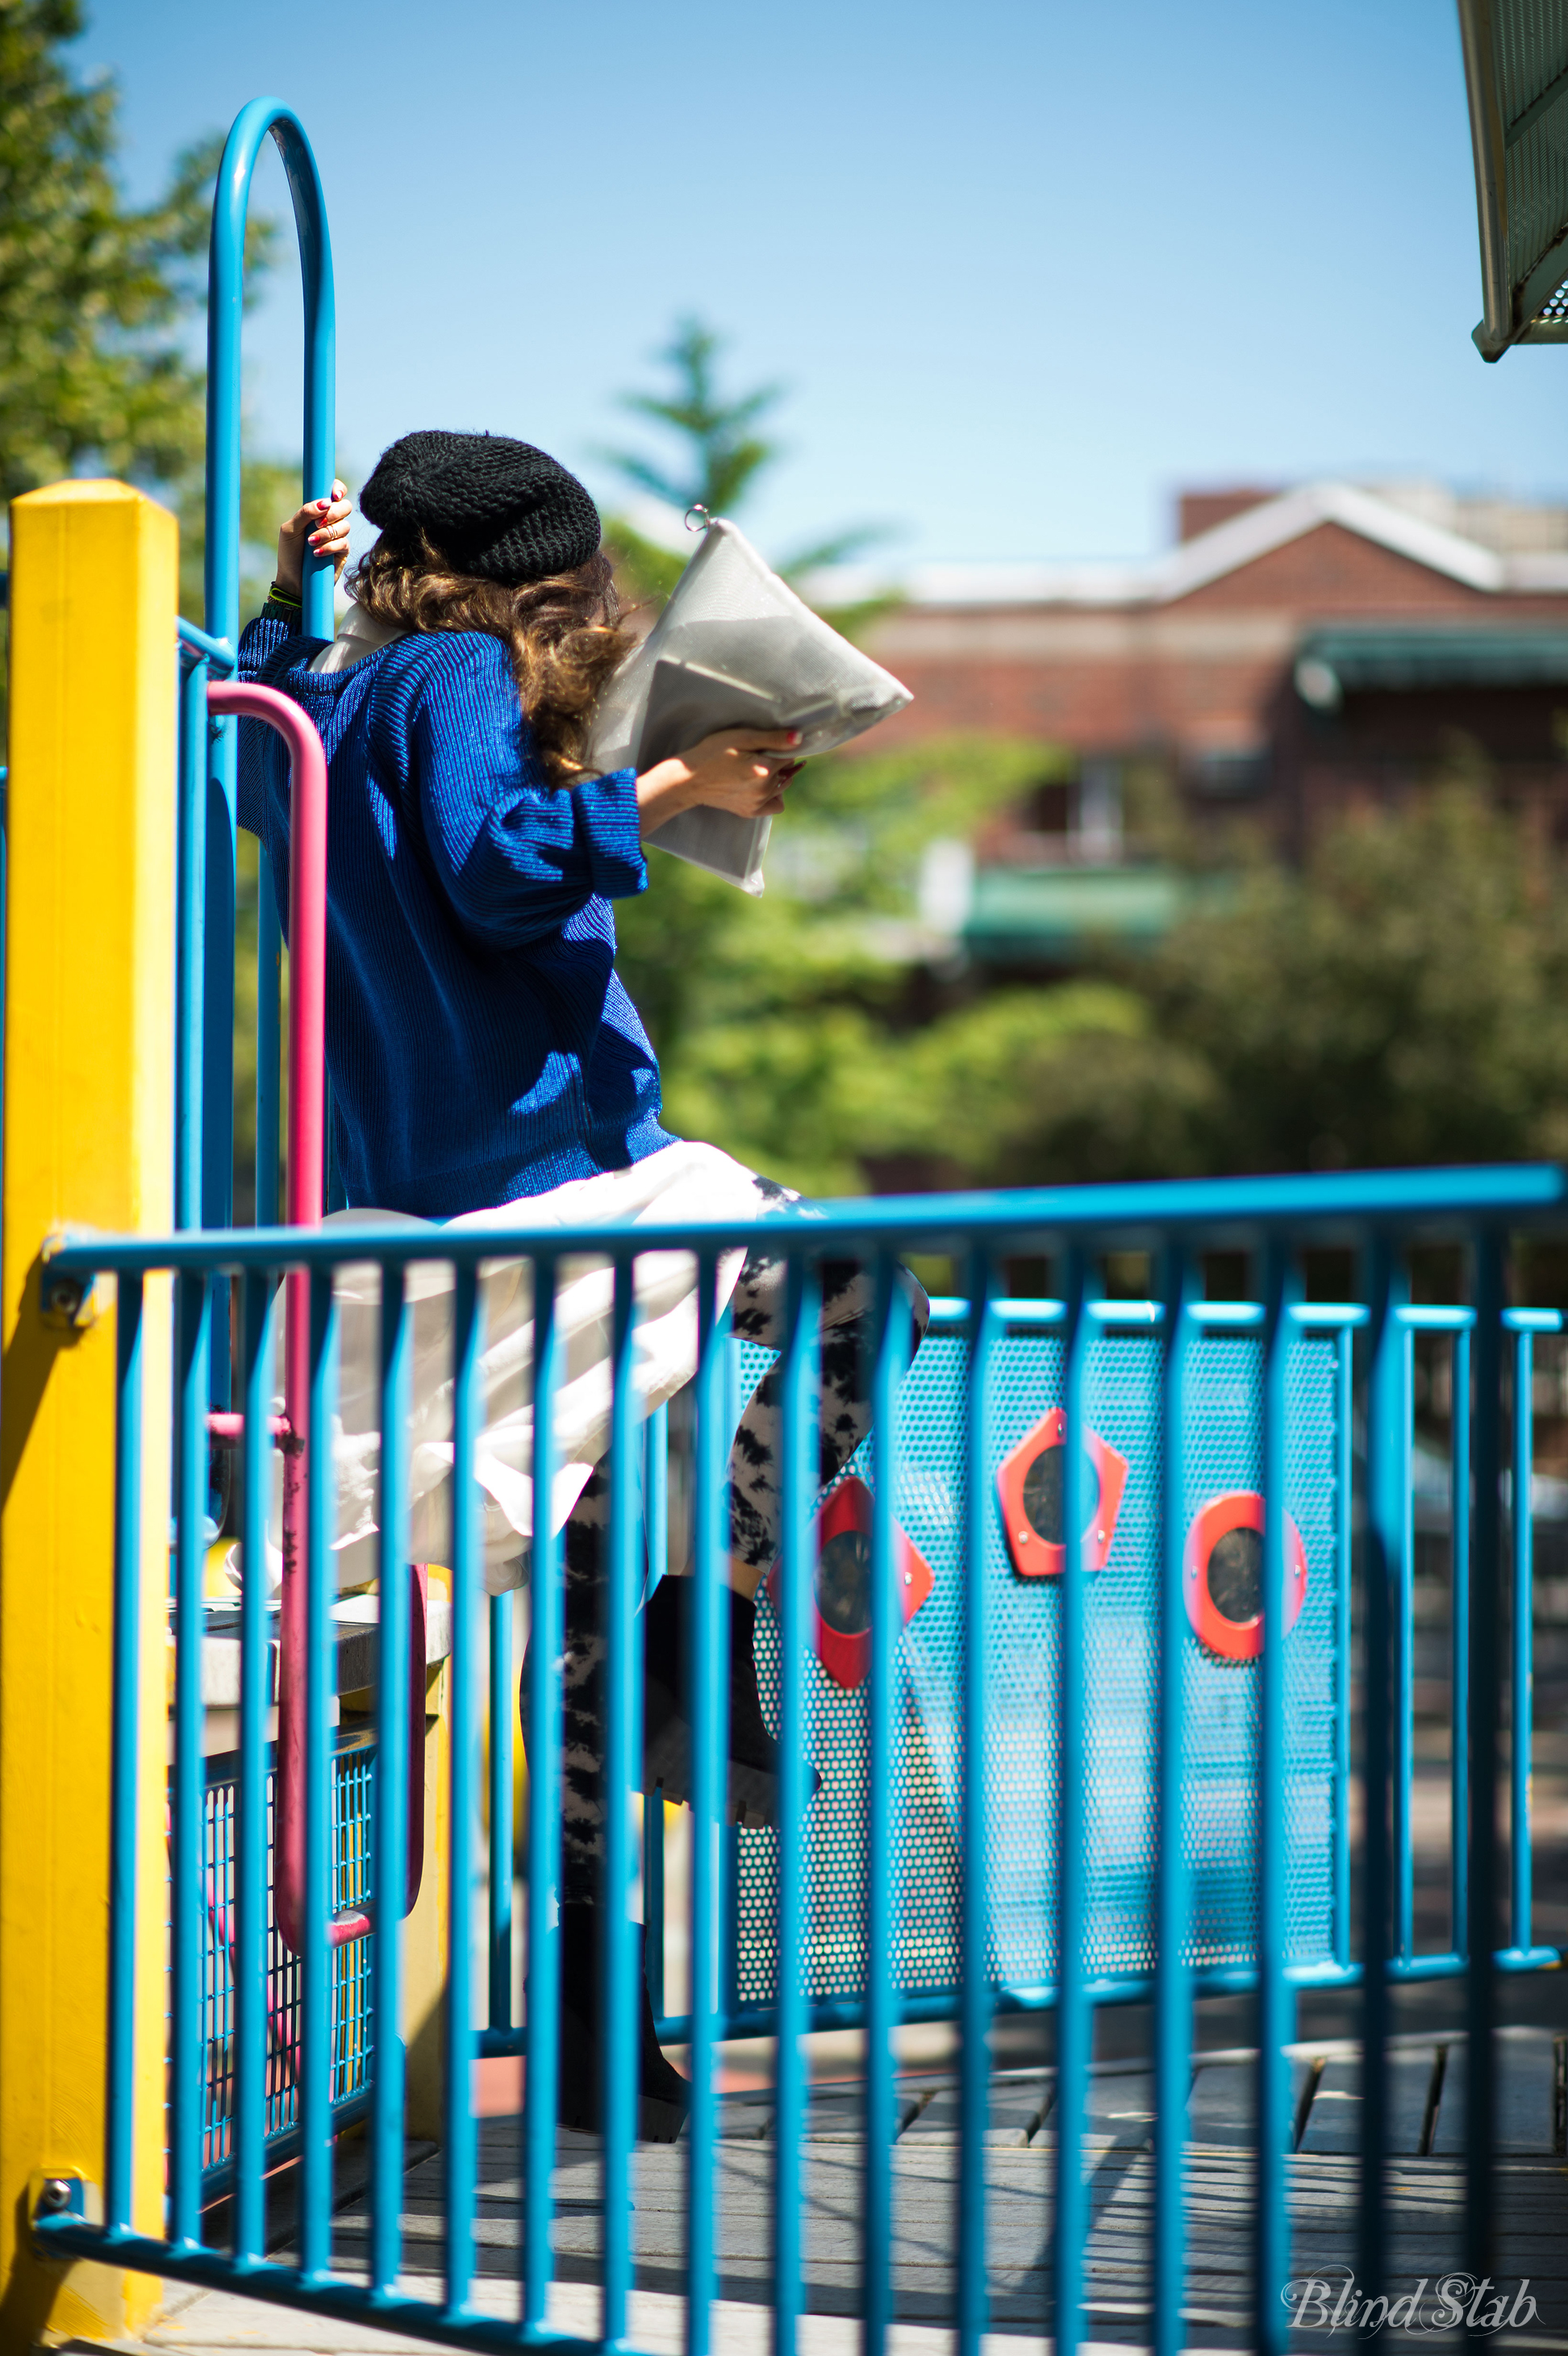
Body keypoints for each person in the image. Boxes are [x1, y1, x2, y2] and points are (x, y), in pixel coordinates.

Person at [239, 432, 928, 2141]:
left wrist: (283, 601)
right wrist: (683, 786)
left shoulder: (319, 704)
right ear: (536, 581)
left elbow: (259, 761)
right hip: (578, 1190)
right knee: (859, 1281)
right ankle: (737, 1588)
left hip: (407, 1224)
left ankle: (607, 2019)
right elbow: (494, 862)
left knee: (562, 1632)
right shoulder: (465, 672)